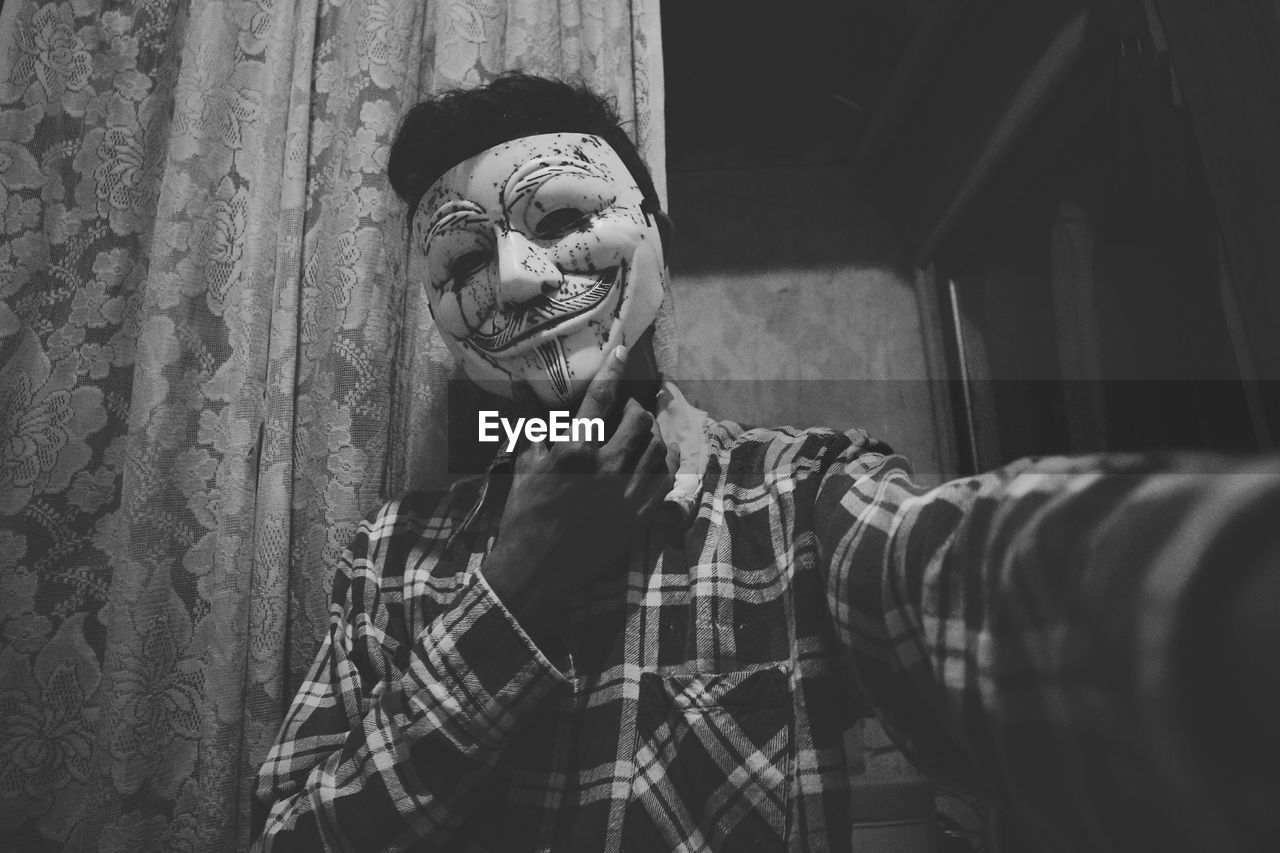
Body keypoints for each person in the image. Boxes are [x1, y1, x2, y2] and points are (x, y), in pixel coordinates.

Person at [253, 73, 1279, 852]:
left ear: (652, 233)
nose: (514, 282)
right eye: (464, 259)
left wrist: (1213, 592)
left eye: (561, 220)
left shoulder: (798, 503)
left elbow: (975, 577)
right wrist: (511, 588)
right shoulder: (386, 562)